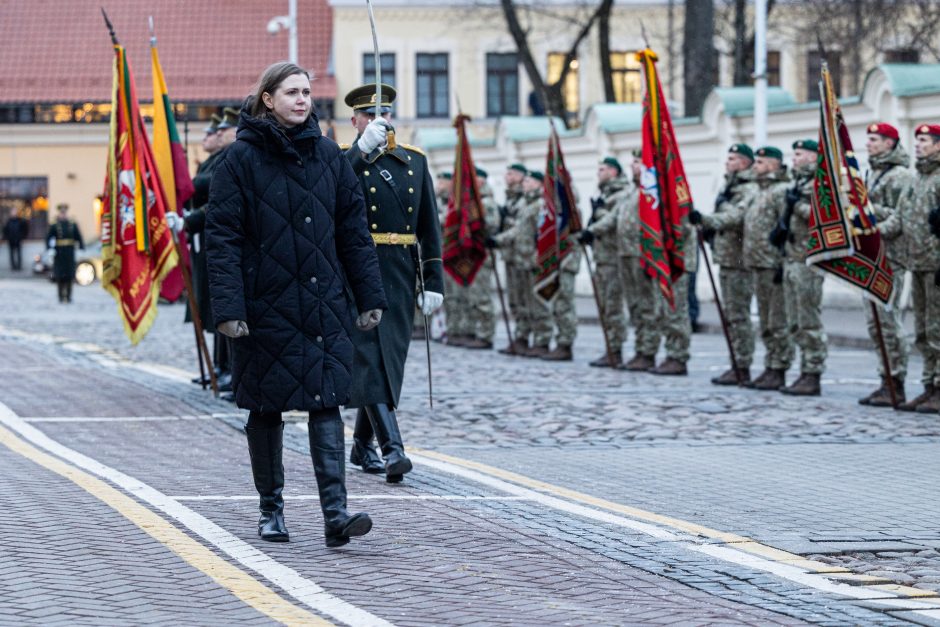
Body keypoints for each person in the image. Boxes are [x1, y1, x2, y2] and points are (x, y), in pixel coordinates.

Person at [206, 62, 387, 547]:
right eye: (291, 92)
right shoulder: (238, 161)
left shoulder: (329, 156)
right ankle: (271, 511)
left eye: (307, 92)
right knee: (265, 407)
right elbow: (222, 239)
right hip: (263, 304)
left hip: (322, 300)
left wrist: (369, 295)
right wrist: (227, 309)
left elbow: (354, 232)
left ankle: (336, 514)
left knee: (327, 403)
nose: (302, 99)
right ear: (268, 98)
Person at [341, 82, 444, 482]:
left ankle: (361, 444)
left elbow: (429, 227)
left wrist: (433, 280)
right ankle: (393, 450)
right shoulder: (344, 160)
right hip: (358, 265)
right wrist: (358, 152)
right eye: (368, 116)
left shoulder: (415, 162)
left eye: (382, 116)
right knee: (368, 354)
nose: (377, 123)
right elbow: (331, 193)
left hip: (401, 268)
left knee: (391, 360)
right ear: (355, 121)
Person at [691, 144, 758, 384]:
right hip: (727, 257)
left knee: (738, 314)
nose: (727, 163)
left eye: (732, 159)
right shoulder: (731, 187)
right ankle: (736, 363)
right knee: (732, 314)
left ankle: (743, 364)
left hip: (740, 258)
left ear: (743, 162)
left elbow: (735, 217)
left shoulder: (749, 189)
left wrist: (707, 220)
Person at [858, 123, 912, 406]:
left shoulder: (900, 175)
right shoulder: (873, 172)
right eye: (868, 139)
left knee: (889, 322)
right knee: (874, 322)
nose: (869, 144)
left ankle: (897, 380)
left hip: (891, 256)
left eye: (875, 139)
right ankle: (885, 378)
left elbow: (900, 215)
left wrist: (866, 208)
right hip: (871, 255)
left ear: (890, 143)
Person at [777, 139, 827, 396]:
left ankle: (813, 372)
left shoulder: (822, 182)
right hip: (791, 257)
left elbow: (824, 215)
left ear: (812, 157)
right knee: (794, 321)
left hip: (810, 259)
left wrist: (796, 205)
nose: (794, 158)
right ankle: (803, 370)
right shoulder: (796, 183)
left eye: (799, 154)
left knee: (809, 321)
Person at [896, 124, 940, 414]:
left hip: (937, 265)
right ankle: (928, 386)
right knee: (923, 330)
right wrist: (867, 229)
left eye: (924, 140)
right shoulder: (914, 180)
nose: (918, 145)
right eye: (917, 140)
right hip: (918, 263)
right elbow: (899, 219)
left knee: (938, 329)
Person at [742, 147, 793, 390]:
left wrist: (782, 261)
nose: (755, 166)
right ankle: (770, 365)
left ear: (774, 165)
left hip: (773, 264)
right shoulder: (758, 191)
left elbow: (786, 228)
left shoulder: (780, 191)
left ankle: (779, 367)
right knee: (765, 320)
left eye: (760, 162)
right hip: (757, 262)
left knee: (777, 321)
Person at [489, 170, 553, 357]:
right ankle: (522, 337)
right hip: (519, 259)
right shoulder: (525, 203)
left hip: (534, 261)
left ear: (540, 184)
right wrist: (498, 240)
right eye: (524, 180)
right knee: (520, 303)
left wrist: (499, 240)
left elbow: (543, 233)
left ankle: (542, 340)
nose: (525, 183)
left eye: (530, 180)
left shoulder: (541, 205)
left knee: (538, 303)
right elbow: (517, 230)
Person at [184, 113, 224, 386]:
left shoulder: (229, 159)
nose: (212, 137)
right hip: (206, 240)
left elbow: (211, 188)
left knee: (222, 309)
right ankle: (221, 367)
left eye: (220, 132)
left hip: (219, 240)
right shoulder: (215, 159)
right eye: (213, 133)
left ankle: (226, 368)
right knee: (213, 309)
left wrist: (183, 183)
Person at [578, 157, 629, 367]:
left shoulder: (622, 194)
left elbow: (612, 220)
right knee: (606, 306)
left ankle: (615, 350)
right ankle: (610, 348)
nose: (599, 172)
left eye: (603, 169)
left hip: (613, 257)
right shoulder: (605, 193)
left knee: (613, 306)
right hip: (602, 256)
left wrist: (592, 226)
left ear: (614, 172)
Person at [617, 150, 662, 371]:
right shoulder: (630, 191)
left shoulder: (652, 190)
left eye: (638, 162)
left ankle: (648, 351)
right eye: (633, 162)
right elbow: (614, 218)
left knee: (647, 306)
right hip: (626, 254)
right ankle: (639, 349)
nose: (633, 166)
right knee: (635, 307)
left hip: (643, 255)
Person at [462, 167, 498, 349]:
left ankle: (486, 334)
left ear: (482, 181)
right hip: (471, 255)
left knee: (482, 297)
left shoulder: (486, 203)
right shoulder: (471, 202)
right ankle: (478, 331)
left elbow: (491, 225)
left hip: (482, 254)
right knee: (473, 297)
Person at [497, 163, 531, 355]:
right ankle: (520, 336)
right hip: (511, 254)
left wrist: (499, 238)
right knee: (515, 300)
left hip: (523, 255)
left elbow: (521, 227)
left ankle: (525, 337)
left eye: (511, 174)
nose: (507, 177)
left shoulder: (525, 199)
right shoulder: (511, 198)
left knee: (526, 300)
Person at [46, 203, 83, 303]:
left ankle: (69, 296)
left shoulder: (72, 224)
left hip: (70, 252)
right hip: (59, 253)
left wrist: (80, 249)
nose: (63, 215)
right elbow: (48, 237)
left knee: (70, 275)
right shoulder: (54, 225)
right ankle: (60, 296)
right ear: (59, 213)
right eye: (61, 213)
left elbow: (78, 237)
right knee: (59, 275)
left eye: (64, 213)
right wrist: (50, 249)